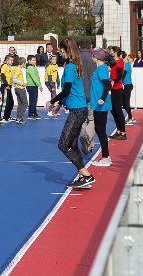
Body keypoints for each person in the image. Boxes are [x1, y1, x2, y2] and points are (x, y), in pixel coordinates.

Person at [48, 39, 95, 189]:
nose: (59, 52)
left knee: (63, 144)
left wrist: (52, 100)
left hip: (77, 111)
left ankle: (86, 174)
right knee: (72, 145)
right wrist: (60, 104)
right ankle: (83, 175)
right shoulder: (75, 64)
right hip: (78, 108)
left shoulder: (69, 67)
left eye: (61, 50)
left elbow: (67, 90)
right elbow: (72, 89)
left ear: (66, 50)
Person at [89, 50, 114, 167]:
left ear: (96, 57)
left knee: (101, 130)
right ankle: (106, 156)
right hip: (98, 103)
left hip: (101, 104)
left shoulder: (101, 68)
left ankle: (105, 157)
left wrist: (103, 98)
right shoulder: (101, 68)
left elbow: (107, 84)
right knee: (99, 130)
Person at [25, 55, 42, 119]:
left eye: (35, 60)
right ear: (29, 61)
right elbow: (34, 77)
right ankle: (31, 114)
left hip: (34, 85)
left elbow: (37, 77)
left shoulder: (33, 67)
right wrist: (39, 85)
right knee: (32, 101)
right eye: (33, 60)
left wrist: (38, 84)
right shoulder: (30, 68)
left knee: (34, 100)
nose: (34, 61)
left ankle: (34, 113)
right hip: (31, 86)